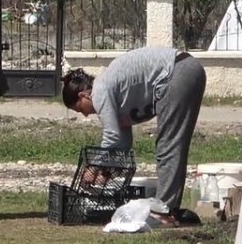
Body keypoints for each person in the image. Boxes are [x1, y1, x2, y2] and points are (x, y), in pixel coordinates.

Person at [60, 46, 206, 226]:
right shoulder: (113, 93)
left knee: (168, 146)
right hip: (186, 70)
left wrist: (92, 166)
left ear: (84, 95)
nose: (84, 114)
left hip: (177, 72)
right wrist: (106, 170)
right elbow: (123, 142)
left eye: (79, 108)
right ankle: (169, 210)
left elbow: (111, 136)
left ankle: (164, 211)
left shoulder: (100, 91)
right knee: (173, 145)